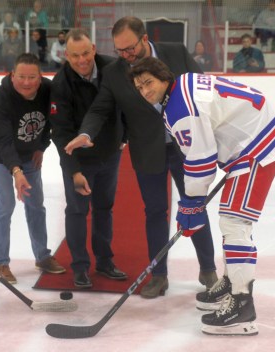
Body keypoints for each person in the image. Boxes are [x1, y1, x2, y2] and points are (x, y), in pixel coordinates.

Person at [129, 56, 275, 336]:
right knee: (231, 219)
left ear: (163, 78)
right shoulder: (183, 84)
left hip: (257, 144)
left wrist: (190, 203)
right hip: (257, 133)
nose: (145, 91)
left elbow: (201, 160)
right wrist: (192, 204)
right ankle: (232, 282)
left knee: (234, 222)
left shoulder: (179, 108)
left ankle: (242, 305)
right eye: (139, 86)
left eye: (149, 83)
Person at [64, 16, 218, 299]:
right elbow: (100, 109)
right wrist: (87, 133)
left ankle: (208, 269)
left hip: (186, 148)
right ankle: (158, 276)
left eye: (130, 49)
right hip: (148, 151)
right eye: (120, 50)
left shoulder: (176, 53)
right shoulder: (114, 72)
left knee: (195, 207)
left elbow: (205, 92)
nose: (125, 56)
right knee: (155, 212)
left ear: (144, 39)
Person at [50, 28, 126, 288]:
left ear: (93, 48)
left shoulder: (114, 68)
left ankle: (105, 262)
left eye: (85, 53)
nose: (81, 60)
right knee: (77, 211)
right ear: (66, 56)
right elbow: (60, 133)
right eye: (74, 56)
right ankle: (80, 267)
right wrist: (74, 171)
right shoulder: (61, 84)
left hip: (109, 155)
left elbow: (126, 102)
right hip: (80, 161)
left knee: (104, 209)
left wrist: (122, 137)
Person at [0, 53, 66, 284]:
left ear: (40, 77)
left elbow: (53, 120)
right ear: (12, 75)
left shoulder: (48, 91)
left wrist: (41, 145)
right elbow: (3, 142)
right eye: (21, 76)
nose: (26, 82)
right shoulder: (2, 98)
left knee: (36, 204)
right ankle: (0, 262)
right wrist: (16, 171)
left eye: (32, 77)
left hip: (29, 152)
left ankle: (42, 256)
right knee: (6, 203)